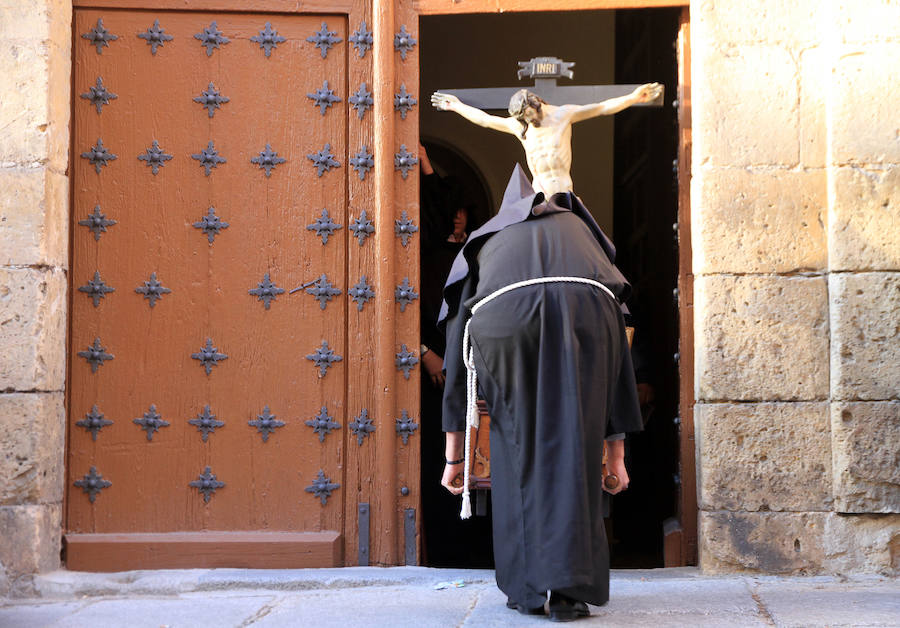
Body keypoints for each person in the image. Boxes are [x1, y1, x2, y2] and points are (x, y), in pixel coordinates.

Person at [432, 85, 657, 620]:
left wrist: (456, 453)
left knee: (514, 451)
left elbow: (460, 335)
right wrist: (617, 455)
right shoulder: (582, 234)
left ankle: (531, 589)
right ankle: (572, 590)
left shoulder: (492, 237)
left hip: (504, 324)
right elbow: (619, 345)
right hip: (589, 315)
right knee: (578, 451)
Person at [418, 144, 494, 568]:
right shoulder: (424, 256)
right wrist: (424, 351)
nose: (459, 216)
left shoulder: (477, 258)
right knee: (439, 462)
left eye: (465, 209)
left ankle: (474, 552)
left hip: (470, 375)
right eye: (453, 209)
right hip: (432, 381)